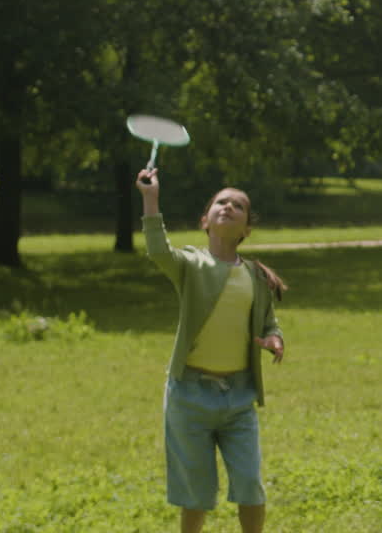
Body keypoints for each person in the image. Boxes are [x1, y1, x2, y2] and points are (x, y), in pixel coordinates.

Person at [137, 168, 287, 533]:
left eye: (238, 205)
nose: (228, 207)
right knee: (195, 493)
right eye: (221, 202)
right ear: (205, 220)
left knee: (250, 484)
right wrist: (151, 199)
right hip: (189, 396)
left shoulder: (255, 276)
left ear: (246, 229)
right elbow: (158, 251)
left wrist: (274, 339)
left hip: (239, 398)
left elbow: (269, 323)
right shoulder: (191, 265)